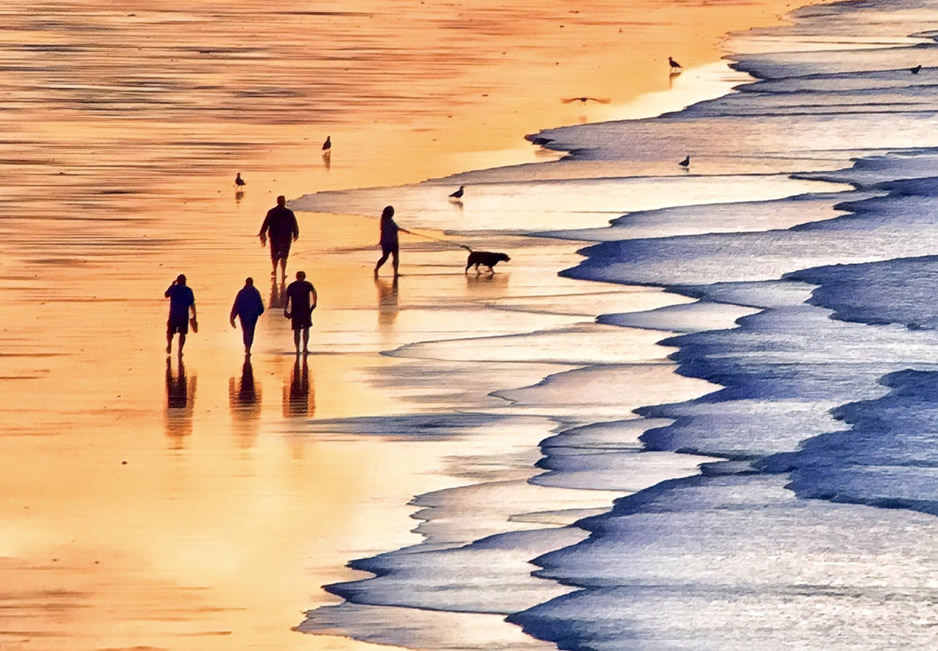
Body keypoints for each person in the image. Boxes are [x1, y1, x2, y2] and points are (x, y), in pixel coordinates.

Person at [258, 195, 299, 278]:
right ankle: (283, 272)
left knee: (274, 254)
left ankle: (275, 271)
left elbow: (265, 224)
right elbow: (294, 224)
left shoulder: (272, 212)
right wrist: (296, 233)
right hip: (286, 236)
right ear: (284, 202)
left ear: (277, 202)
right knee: (284, 255)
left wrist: (262, 234)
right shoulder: (289, 212)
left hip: (274, 236)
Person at [284, 270, 318, 355]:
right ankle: (304, 348)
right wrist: (314, 303)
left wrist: (285, 309)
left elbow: (287, 298)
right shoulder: (307, 284)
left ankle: (299, 348)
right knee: (304, 329)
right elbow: (314, 293)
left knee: (298, 330)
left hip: (297, 311)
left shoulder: (292, 286)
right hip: (304, 310)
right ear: (304, 277)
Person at [229, 276, 265, 356]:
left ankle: (246, 346)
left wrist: (232, 317)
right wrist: (260, 312)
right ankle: (249, 347)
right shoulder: (255, 292)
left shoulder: (241, 292)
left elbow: (236, 305)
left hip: (243, 315)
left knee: (245, 331)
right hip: (253, 315)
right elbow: (260, 304)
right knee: (251, 331)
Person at [164, 274, 197, 356]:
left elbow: (166, 295)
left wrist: (171, 285)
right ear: (184, 281)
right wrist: (194, 316)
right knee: (182, 333)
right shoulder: (188, 290)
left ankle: (169, 344)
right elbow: (192, 304)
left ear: (177, 281)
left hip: (173, 314)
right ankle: (180, 350)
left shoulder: (173, 289)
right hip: (183, 315)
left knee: (170, 332)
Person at [374, 205, 410, 278]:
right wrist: (405, 231)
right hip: (391, 242)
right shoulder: (388, 221)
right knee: (393, 257)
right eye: (391, 211)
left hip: (387, 242)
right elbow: (396, 228)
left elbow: (394, 228)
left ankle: (380, 270)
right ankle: (394, 272)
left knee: (387, 257)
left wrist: (404, 231)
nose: (392, 213)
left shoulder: (384, 220)